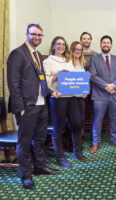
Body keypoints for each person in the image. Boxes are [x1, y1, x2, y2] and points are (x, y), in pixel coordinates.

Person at [7, 24, 60, 190]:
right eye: (34, 34)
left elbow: (41, 79)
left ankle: (39, 167)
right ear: (27, 34)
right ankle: (26, 176)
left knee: (39, 139)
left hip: (41, 104)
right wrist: (19, 106)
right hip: (27, 106)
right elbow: (13, 83)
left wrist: (50, 93)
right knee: (24, 142)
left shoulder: (37, 54)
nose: (37, 37)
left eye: (39, 35)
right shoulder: (17, 53)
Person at [44, 36, 87, 168]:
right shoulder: (48, 61)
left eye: (63, 44)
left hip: (72, 97)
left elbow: (75, 79)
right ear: (53, 46)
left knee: (76, 124)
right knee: (59, 128)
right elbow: (44, 80)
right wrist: (57, 76)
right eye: (58, 44)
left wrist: (83, 88)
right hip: (58, 98)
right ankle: (60, 157)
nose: (61, 46)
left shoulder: (68, 61)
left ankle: (77, 152)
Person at [89, 35, 116, 153]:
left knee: (114, 119)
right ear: (100, 45)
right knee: (98, 119)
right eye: (104, 42)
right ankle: (95, 143)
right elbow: (93, 76)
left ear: (111, 45)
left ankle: (115, 140)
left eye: (108, 43)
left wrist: (113, 85)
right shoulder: (94, 59)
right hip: (99, 95)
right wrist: (107, 86)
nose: (106, 44)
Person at [70, 41, 88, 142]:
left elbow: (82, 81)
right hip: (71, 98)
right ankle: (72, 143)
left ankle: (78, 142)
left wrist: (85, 91)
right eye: (76, 49)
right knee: (74, 122)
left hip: (81, 98)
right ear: (72, 50)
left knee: (81, 120)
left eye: (80, 50)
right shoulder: (68, 63)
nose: (78, 51)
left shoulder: (82, 64)